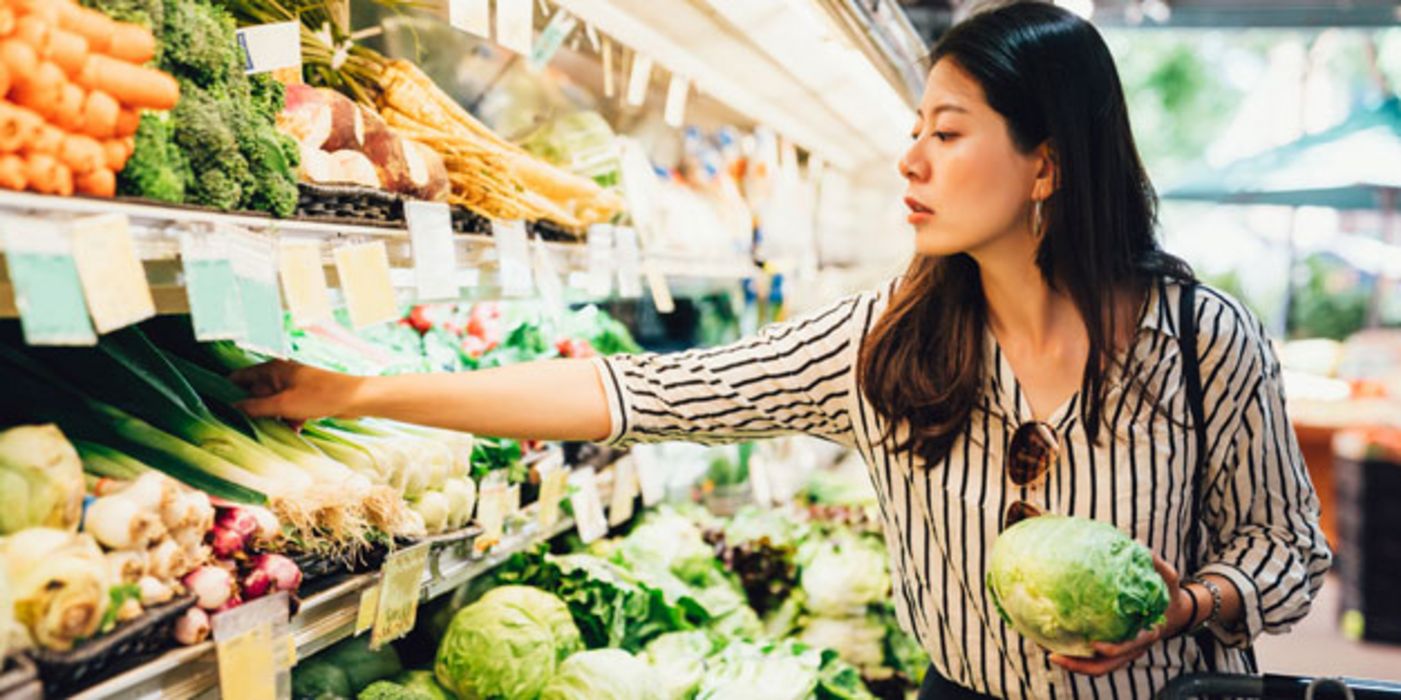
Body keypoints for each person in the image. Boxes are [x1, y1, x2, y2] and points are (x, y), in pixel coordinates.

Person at [231, 2, 1331, 698]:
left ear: (1046, 165)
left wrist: (1181, 607)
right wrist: (359, 387)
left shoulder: (1201, 341)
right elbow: (639, 391)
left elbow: (1288, 552)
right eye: (914, 130)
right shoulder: (886, 346)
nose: (911, 161)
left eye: (947, 134)